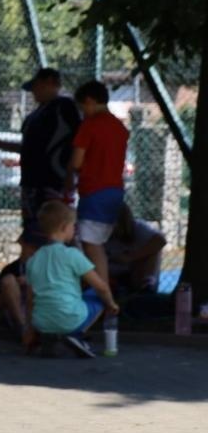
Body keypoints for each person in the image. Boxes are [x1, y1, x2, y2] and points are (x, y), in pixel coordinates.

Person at [0, 66, 82, 252]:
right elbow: (29, 148)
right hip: (31, 181)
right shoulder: (33, 117)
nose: (34, 93)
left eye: (37, 86)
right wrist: (0, 144)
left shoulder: (64, 107)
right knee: (34, 229)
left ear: (50, 84)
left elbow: (77, 142)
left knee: (57, 228)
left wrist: (71, 172)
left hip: (54, 180)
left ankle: (68, 269)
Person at [24, 200, 119, 359]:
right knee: (97, 297)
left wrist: (30, 328)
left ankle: (50, 339)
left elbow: (30, 299)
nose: (74, 229)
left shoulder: (33, 260)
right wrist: (111, 304)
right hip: (70, 318)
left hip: (41, 322)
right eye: (73, 226)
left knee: (52, 303)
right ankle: (76, 335)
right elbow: (101, 287)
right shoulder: (72, 255)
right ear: (63, 227)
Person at [67, 80, 129, 291]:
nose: (82, 112)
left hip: (94, 190)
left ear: (90, 101)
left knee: (91, 245)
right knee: (96, 243)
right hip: (114, 190)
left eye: (82, 107)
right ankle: (99, 290)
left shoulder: (90, 125)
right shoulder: (119, 126)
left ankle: (103, 296)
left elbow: (76, 161)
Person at [103, 202, 164, 294]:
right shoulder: (99, 232)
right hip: (109, 275)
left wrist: (131, 257)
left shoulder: (137, 227)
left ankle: (147, 286)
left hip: (133, 273)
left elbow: (160, 241)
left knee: (153, 252)